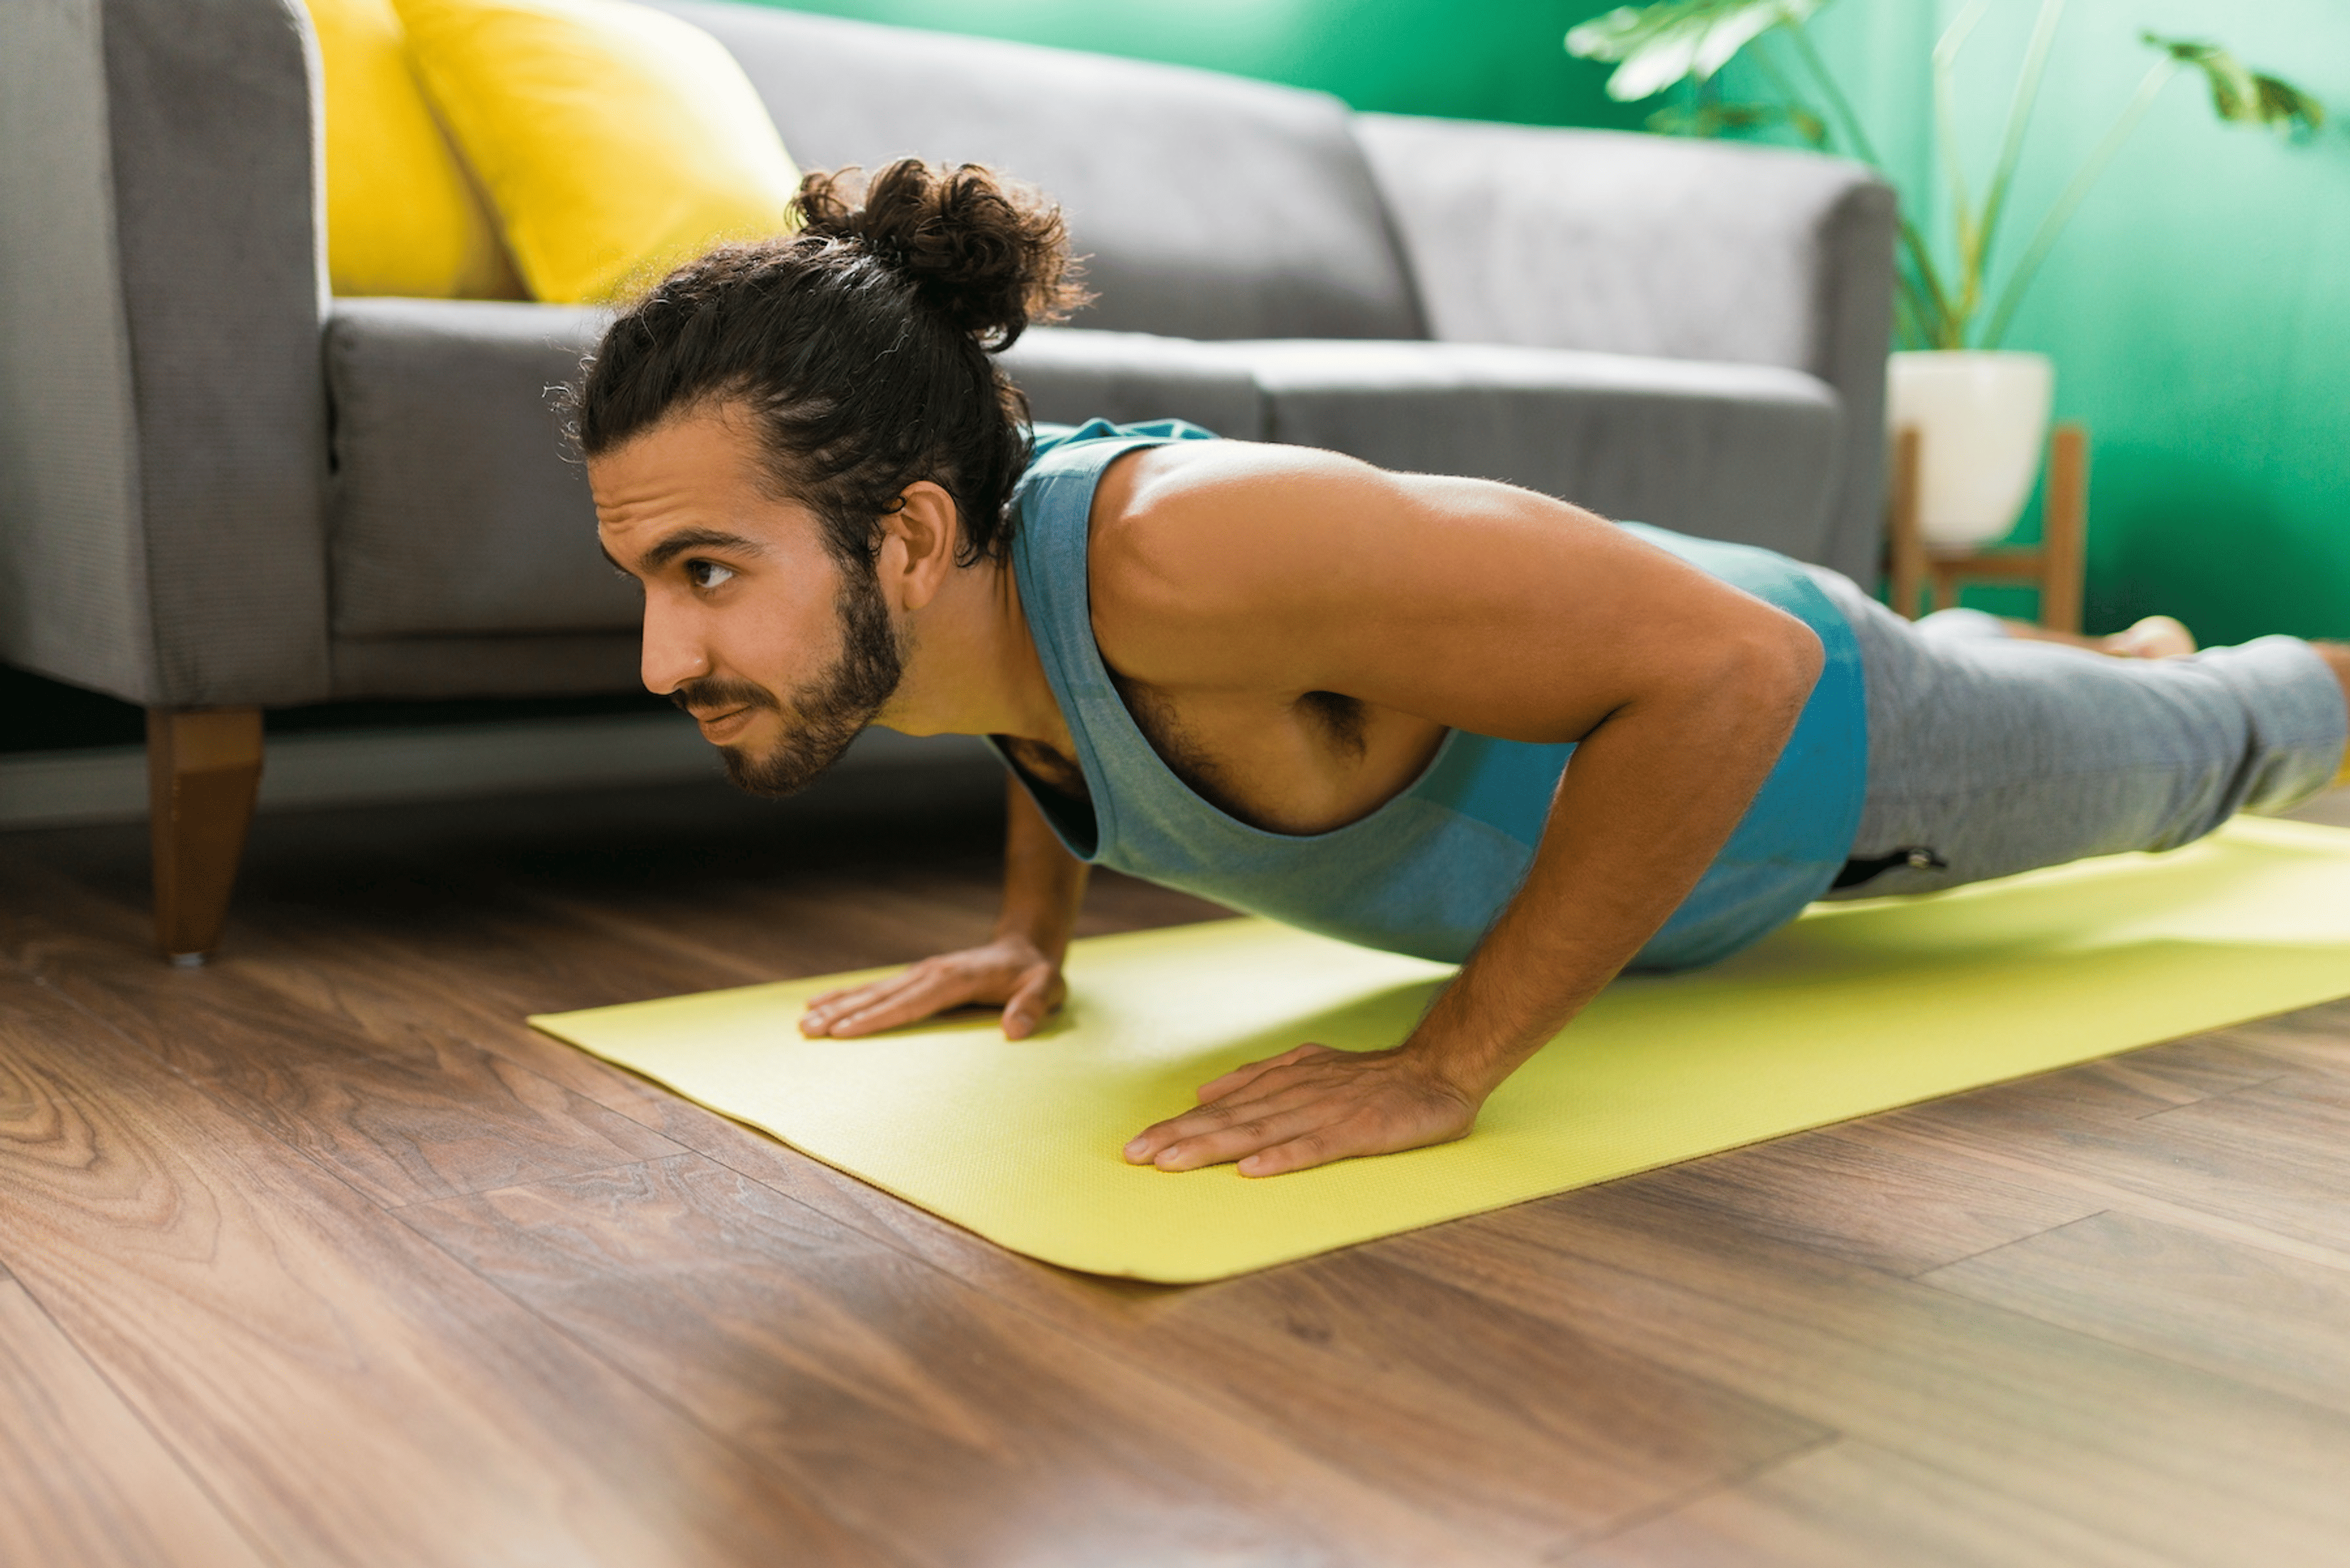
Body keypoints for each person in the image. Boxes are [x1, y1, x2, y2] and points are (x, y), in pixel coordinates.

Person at [578, 161, 2348, 1179]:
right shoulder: (950, 602)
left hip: (1816, 747)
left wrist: (1451, 1064)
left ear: (901, 535)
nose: (667, 657)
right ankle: (2093, 649)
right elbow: (1037, 702)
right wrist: (1034, 932)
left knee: (2226, 740)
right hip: (1694, 646)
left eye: (707, 573)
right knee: (2089, 679)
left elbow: (1728, 669)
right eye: (648, 581)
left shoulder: (1185, 547)